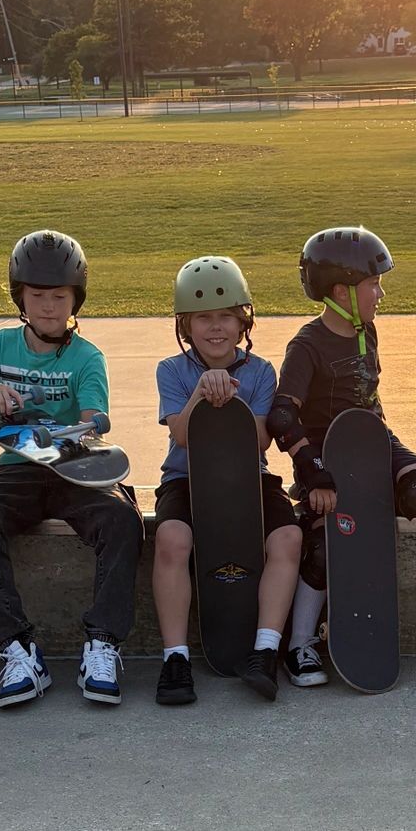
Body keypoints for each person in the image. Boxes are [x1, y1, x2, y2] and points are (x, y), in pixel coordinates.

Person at [0, 230, 142, 710]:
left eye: (59, 296)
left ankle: (102, 644)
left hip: (72, 466)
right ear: (21, 296)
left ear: (76, 298)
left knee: (122, 520)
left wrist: (77, 428)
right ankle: (17, 650)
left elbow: (97, 419)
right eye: (37, 296)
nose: (49, 307)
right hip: (16, 467)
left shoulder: (86, 356)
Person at [266, 224, 416, 686]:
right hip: (325, 456)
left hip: (373, 441)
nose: (381, 293)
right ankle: (301, 642)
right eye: (374, 284)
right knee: (326, 546)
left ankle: (353, 541)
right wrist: (312, 471)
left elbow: (370, 400)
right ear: (341, 292)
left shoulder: (368, 330)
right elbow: (283, 417)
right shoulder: (307, 346)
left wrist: (390, 452)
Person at [151, 255, 301, 705]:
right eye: (203, 320)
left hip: (247, 478)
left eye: (226, 318)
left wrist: (230, 404)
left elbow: (259, 441)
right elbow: (180, 435)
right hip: (187, 477)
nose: (216, 329)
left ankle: (265, 650)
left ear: (243, 322)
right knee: (173, 538)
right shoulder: (172, 370)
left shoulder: (259, 372)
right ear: (185, 325)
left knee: (289, 537)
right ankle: (175, 658)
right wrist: (201, 393)